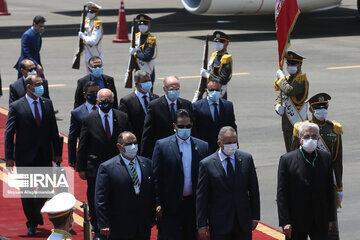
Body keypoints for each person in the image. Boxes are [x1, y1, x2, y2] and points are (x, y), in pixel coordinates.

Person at [5, 74, 62, 236]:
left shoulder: (47, 104)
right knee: (27, 192)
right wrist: (9, 157)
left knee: (45, 190)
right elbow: (9, 133)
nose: (41, 87)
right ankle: (32, 222)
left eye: (42, 84)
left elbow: (53, 130)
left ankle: (35, 213)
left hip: (44, 154)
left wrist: (57, 152)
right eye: (37, 84)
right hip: (24, 155)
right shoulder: (17, 106)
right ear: (29, 87)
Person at [76, 88, 131, 239]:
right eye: (102, 101)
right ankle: (98, 226)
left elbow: (129, 141)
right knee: (96, 198)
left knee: (117, 196)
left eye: (108, 101)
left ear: (113, 101)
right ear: (97, 102)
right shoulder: (89, 119)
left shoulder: (122, 117)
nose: (105, 103)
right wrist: (81, 167)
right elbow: (83, 145)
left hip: (118, 167)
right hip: (96, 168)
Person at [291, 93, 343, 240]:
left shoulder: (334, 130)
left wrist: (339, 187)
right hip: (304, 183)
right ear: (312, 110)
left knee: (329, 229)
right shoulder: (301, 129)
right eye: (318, 108)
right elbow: (293, 158)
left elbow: (337, 161)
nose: (322, 111)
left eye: (324, 108)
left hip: (326, 184)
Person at [153, 109, 209, 240]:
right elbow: (156, 177)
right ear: (174, 126)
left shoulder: (202, 147)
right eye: (181, 126)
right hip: (170, 206)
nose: (185, 129)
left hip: (193, 206)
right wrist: (157, 203)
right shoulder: (162, 146)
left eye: (188, 126)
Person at [196, 126, 260, 240]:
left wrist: (255, 217)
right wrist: (202, 224)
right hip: (219, 223)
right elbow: (202, 197)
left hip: (242, 222)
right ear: (219, 143)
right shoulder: (207, 164)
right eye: (228, 143)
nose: (232, 145)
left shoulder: (246, 159)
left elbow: (254, 189)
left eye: (234, 142)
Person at [277, 122, 335, 240]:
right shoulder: (287, 160)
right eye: (307, 136)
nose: (310, 139)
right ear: (300, 139)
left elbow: (330, 190)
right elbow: (282, 193)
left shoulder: (326, 157)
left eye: (314, 137)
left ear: (318, 138)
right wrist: (285, 221)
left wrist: (331, 218)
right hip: (296, 220)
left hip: (320, 219)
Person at [95, 131, 154, 240]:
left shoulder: (148, 164)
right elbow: (101, 199)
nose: (133, 146)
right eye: (128, 144)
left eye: (135, 143)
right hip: (120, 226)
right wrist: (103, 223)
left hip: (143, 225)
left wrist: (152, 216)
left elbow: (152, 192)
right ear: (119, 146)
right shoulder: (107, 168)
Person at [140, 76, 192, 158]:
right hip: (163, 151)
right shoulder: (154, 106)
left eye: (177, 89)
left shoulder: (186, 104)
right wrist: (145, 157)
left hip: (183, 149)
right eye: (171, 89)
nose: (174, 91)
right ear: (164, 89)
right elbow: (148, 133)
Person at [274, 51, 309, 153]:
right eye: (288, 64)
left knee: (298, 152)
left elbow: (289, 90)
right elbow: (281, 96)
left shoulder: (302, 80)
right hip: (287, 122)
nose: (290, 66)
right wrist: (278, 106)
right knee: (289, 153)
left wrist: (281, 78)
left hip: (299, 121)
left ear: (300, 64)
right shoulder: (287, 79)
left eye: (293, 64)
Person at [119, 70, 159, 153]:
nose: (148, 83)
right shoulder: (127, 101)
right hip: (137, 143)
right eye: (144, 81)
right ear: (137, 84)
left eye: (149, 81)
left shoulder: (155, 98)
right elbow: (125, 124)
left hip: (154, 143)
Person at [192, 79, 237, 153]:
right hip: (205, 146)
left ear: (221, 90)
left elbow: (232, 125)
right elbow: (194, 128)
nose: (214, 92)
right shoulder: (197, 106)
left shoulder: (228, 106)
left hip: (223, 146)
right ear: (206, 90)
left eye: (217, 90)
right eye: (211, 90)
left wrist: (235, 144)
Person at [68, 81, 99, 168]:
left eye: (97, 92)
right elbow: (72, 137)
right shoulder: (77, 113)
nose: (95, 94)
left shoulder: (106, 109)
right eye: (92, 92)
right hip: (88, 155)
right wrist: (72, 159)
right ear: (85, 94)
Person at [200, 31, 232, 99]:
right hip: (210, 89)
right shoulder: (214, 55)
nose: (217, 44)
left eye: (220, 42)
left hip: (219, 92)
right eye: (216, 42)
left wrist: (207, 75)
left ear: (226, 43)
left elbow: (223, 79)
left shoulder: (226, 58)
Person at [130, 14, 157, 88]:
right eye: (140, 24)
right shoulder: (136, 36)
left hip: (147, 69)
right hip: (137, 69)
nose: (142, 26)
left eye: (144, 24)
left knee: (147, 91)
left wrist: (135, 53)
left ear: (149, 25)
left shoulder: (150, 39)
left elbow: (147, 56)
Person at [78, 2, 103, 72]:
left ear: (96, 13)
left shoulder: (97, 24)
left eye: (92, 11)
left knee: (96, 76)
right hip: (87, 54)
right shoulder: (87, 22)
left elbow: (93, 41)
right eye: (88, 11)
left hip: (95, 55)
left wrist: (83, 37)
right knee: (89, 77)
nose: (89, 13)